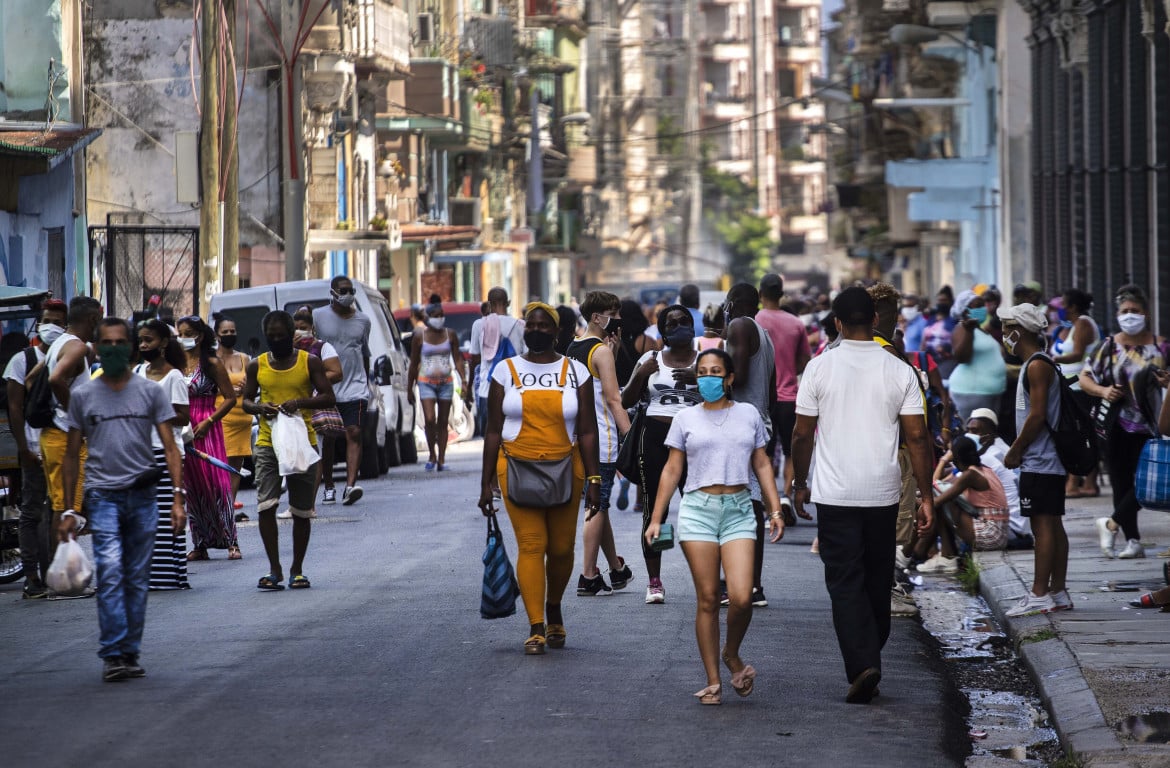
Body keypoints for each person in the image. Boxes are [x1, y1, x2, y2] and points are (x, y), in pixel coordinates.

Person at [791, 287, 935, 704]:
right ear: (874, 319)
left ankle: (863, 661)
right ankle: (869, 651)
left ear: (835, 323)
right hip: (883, 492)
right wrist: (926, 496)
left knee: (844, 580)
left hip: (835, 493)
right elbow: (918, 438)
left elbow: (802, 433)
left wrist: (801, 481)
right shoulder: (898, 369)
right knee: (875, 577)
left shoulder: (819, 368)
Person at [645, 349, 783, 705]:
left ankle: (731, 653)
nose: (708, 378)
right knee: (707, 599)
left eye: (716, 371)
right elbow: (672, 470)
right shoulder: (685, 418)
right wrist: (657, 517)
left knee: (741, 596)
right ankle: (713, 680)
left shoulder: (748, 414)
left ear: (730, 378)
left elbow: (762, 463)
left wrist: (775, 509)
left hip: (739, 510)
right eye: (703, 372)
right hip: (697, 511)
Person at [57, 318, 185, 682]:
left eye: (120, 342)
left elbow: (171, 447)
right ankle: (113, 654)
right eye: (106, 343)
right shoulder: (83, 395)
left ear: (129, 347)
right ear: (96, 348)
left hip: (144, 496)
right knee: (111, 571)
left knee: (136, 577)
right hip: (103, 497)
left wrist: (178, 497)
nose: (113, 348)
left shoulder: (150, 392)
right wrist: (68, 507)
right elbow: (70, 455)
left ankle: (129, 650)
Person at [477, 303, 601, 655]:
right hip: (515, 467)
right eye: (531, 324)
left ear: (557, 331)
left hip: (568, 468)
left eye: (545, 325)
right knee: (532, 545)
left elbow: (589, 430)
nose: (537, 330)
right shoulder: (505, 371)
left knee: (561, 548)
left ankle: (554, 607)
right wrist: (486, 483)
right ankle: (535, 626)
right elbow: (492, 431)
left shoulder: (577, 372)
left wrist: (594, 478)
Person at [241, 311, 336, 591]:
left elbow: (329, 396)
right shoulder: (256, 366)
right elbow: (245, 400)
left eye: (282, 335)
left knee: (301, 510)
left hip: (302, 442)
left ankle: (297, 569)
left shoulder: (310, 362)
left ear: (293, 333)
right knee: (266, 505)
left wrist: (300, 403)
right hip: (268, 442)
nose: (277, 340)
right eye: (272, 336)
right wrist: (259, 407)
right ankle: (274, 570)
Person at [1079, 285, 1168, 560]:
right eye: (1125, 311)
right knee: (1120, 482)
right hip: (1117, 425)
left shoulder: (1161, 346)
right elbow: (1085, 378)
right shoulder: (1107, 346)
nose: (1130, 316)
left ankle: (1111, 523)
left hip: (1153, 426)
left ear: (1146, 314)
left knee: (1144, 485)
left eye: (1135, 311)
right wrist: (1103, 391)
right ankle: (1132, 541)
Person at [998, 302, 1073, 616]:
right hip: (1045, 460)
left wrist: (1016, 448)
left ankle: (1040, 593)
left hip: (1040, 460)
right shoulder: (1037, 363)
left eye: (1006, 329)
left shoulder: (1037, 366)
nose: (1003, 335)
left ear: (1019, 331)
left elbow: (1038, 415)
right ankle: (1058, 590)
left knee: (1043, 526)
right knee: (1052, 524)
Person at [623, 305, 701, 604]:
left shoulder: (706, 361)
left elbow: (725, 397)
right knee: (656, 511)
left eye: (684, 321)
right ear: (662, 329)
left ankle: (708, 577)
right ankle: (655, 581)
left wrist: (700, 377)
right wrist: (641, 375)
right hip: (655, 438)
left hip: (696, 440)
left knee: (699, 509)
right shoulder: (650, 359)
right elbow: (627, 399)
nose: (679, 326)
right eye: (672, 322)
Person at [566, 291, 633, 596]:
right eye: (613, 313)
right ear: (597, 317)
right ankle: (588, 574)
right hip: (603, 439)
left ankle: (616, 571)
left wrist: (614, 354)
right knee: (597, 505)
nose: (617, 319)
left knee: (599, 503)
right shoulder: (601, 352)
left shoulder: (574, 347)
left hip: (577, 439)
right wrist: (632, 438)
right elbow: (614, 399)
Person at [6, 299, 68, 598]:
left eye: (57, 322)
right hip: (34, 448)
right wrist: (23, 447)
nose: (50, 327)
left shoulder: (68, 356)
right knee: (33, 513)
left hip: (62, 447)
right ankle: (32, 577)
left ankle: (54, 574)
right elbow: (15, 407)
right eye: (46, 321)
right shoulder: (22, 360)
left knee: (58, 511)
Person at [724, 283, 778, 606]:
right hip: (759, 422)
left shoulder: (739, 326)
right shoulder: (764, 334)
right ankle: (751, 583)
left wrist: (702, 377)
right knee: (750, 503)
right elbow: (770, 391)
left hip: (740, 423)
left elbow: (738, 376)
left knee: (740, 506)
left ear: (732, 304)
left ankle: (747, 584)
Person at [42, 296, 103, 567]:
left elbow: (36, 377)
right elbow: (55, 379)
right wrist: (73, 411)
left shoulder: (58, 343)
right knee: (66, 506)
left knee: (63, 504)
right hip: (65, 435)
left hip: (54, 433)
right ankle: (64, 576)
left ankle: (61, 572)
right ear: (92, 320)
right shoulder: (76, 347)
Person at [177, 315, 240, 561]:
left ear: (200, 335)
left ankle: (231, 540)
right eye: (179, 333)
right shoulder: (177, 363)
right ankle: (200, 542)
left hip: (207, 425)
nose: (183, 339)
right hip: (183, 427)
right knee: (192, 486)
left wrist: (210, 420)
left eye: (187, 333)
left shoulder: (211, 363)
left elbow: (230, 398)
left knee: (216, 483)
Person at [134, 320, 191, 590]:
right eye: (141, 340)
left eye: (149, 340)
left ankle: (169, 578)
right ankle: (148, 577)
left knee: (167, 517)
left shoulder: (174, 377)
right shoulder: (136, 372)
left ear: (164, 343)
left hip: (167, 453)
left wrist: (153, 409)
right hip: (140, 454)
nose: (144, 345)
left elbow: (182, 416)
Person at [755, 274, 811, 529]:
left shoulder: (754, 321)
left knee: (763, 454)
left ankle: (771, 507)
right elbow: (803, 362)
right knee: (790, 452)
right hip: (790, 397)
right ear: (782, 294)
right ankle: (787, 497)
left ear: (761, 294)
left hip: (763, 399)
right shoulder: (796, 323)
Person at [313, 275, 372, 506]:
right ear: (332, 292)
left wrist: (366, 383)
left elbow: (364, 352)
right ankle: (328, 486)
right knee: (328, 438)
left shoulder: (363, 321)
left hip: (355, 387)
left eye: (350, 291)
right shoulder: (319, 316)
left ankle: (350, 486)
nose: (347, 294)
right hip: (327, 387)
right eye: (343, 290)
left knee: (354, 432)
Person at [915, 435, 1010, 573]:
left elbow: (935, 490)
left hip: (990, 535)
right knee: (937, 497)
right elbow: (937, 485)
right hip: (998, 534)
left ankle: (947, 557)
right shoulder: (982, 469)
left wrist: (943, 460)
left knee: (939, 502)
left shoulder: (970, 475)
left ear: (957, 458)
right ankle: (934, 553)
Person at [1051, 289, 1100, 498]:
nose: (1060, 309)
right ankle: (1082, 481)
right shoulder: (1072, 326)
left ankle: (1081, 481)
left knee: (1081, 434)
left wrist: (1052, 360)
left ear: (1072, 306)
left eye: (1063, 304)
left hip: (1082, 387)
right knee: (1081, 433)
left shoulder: (1083, 323)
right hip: (1071, 387)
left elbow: (1078, 354)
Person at [408, 300, 465, 472]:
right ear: (428, 318)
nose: (439, 318)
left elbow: (458, 359)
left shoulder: (451, 334)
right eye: (435, 316)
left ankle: (441, 458)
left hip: (446, 382)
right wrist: (409, 387)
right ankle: (432, 454)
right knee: (430, 419)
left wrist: (464, 380)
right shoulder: (420, 336)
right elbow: (413, 363)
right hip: (426, 382)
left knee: (442, 422)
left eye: (442, 315)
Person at [468, 287, 526, 438]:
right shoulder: (520, 325)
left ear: (489, 304)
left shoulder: (479, 325)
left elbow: (474, 359)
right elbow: (527, 357)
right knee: (513, 434)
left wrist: (468, 387)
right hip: (515, 388)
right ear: (508, 303)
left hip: (487, 390)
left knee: (490, 435)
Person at [212, 313, 253, 520]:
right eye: (225, 332)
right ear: (217, 335)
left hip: (242, 418)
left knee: (236, 468)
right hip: (222, 416)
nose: (229, 335)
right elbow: (207, 388)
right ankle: (219, 506)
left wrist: (247, 388)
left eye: (232, 332)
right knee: (221, 466)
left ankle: (228, 509)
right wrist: (227, 390)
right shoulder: (212, 360)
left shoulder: (244, 358)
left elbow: (254, 387)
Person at [947, 290, 1006, 423]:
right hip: (971, 392)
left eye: (982, 305)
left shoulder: (980, 330)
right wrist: (968, 331)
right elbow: (961, 357)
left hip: (989, 392)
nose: (982, 308)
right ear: (965, 310)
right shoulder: (962, 328)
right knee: (974, 435)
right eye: (977, 306)